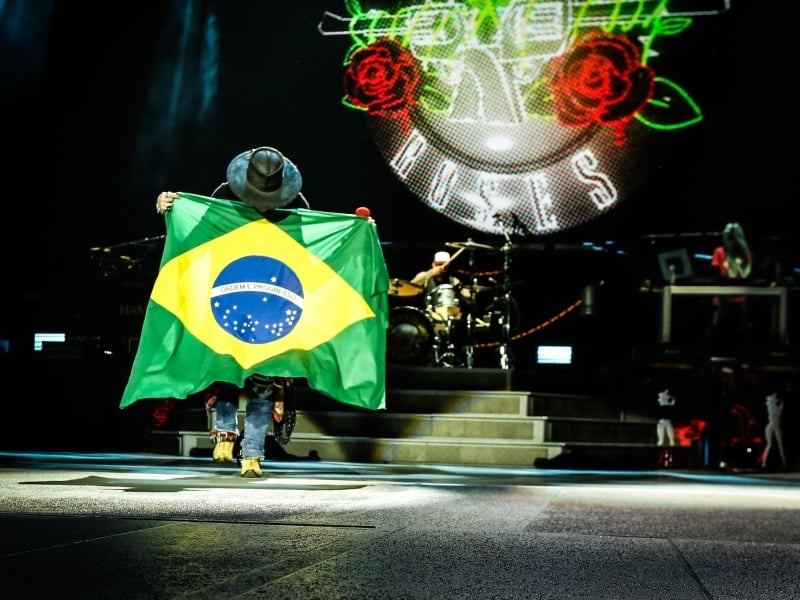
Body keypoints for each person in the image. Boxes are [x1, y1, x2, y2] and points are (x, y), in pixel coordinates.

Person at [155, 146, 308, 477]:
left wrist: (356, 231)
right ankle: (224, 434)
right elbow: (198, 232)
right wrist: (171, 207)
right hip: (231, 293)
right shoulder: (225, 195)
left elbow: (310, 254)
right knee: (225, 369)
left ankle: (252, 452)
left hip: (273, 300)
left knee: (264, 380)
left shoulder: (297, 206)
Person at [410, 250, 472, 365]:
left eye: (444, 264)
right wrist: (430, 273)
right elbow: (412, 285)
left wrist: (468, 293)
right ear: (433, 264)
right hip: (430, 318)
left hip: (450, 318)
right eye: (438, 264)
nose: (441, 267)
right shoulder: (425, 277)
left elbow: (466, 295)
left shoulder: (453, 280)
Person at [709, 222, 754, 357]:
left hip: (741, 298)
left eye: (732, 235)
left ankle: (741, 357)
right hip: (722, 298)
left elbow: (747, 274)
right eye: (727, 235)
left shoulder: (746, 253)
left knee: (742, 329)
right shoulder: (719, 251)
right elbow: (716, 274)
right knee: (717, 328)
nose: (729, 238)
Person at [760, 392, 786, 470]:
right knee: (769, 444)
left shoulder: (777, 408)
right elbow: (770, 402)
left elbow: (780, 406)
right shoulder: (771, 408)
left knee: (780, 444)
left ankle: (784, 462)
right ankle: (764, 463)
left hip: (776, 427)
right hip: (771, 426)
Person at [656, 388, 676, 467]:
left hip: (667, 421)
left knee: (671, 440)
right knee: (661, 441)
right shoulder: (660, 401)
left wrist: (673, 399)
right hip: (661, 422)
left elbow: (672, 403)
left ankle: (671, 458)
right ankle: (659, 459)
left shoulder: (668, 403)